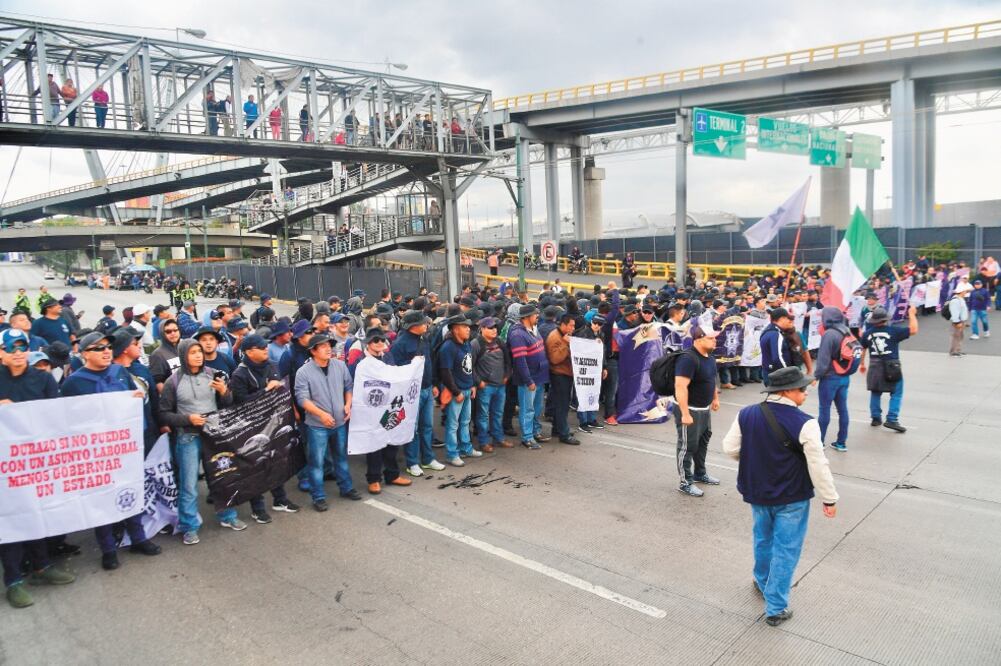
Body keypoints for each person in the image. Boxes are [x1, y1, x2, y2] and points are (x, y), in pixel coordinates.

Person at [721, 366, 838, 627]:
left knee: (763, 538)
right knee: (786, 549)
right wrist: (829, 498)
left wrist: (755, 459)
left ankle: (762, 580)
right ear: (787, 391)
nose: (806, 393)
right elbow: (818, 465)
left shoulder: (746, 413)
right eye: (802, 389)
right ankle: (776, 607)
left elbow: (730, 448)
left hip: (757, 491)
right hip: (792, 496)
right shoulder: (805, 422)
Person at [60, 331, 163, 570]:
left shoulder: (119, 372)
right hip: (97, 453)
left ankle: (138, 538)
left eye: (107, 347)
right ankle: (108, 548)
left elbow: (135, 401)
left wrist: (136, 398)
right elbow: (65, 418)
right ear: (85, 354)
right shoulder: (74, 382)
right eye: (98, 348)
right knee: (102, 500)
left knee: (131, 491)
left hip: (126, 447)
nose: (106, 351)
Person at [0, 329, 77, 608]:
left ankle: (41, 567)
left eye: (22, 346)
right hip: (6, 467)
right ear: (1, 352)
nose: (17, 352)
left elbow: (55, 416)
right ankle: (13, 580)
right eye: (11, 347)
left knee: (38, 514)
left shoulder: (42, 379)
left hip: (37, 461)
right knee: (10, 521)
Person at [158, 338, 241, 545]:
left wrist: (224, 392)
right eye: (192, 352)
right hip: (188, 437)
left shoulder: (213, 374)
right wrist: (188, 419)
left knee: (221, 477)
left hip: (214, 436)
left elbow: (228, 404)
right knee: (189, 485)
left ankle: (228, 516)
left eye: (199, 352)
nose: (198, 356)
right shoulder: (173, 382)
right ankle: (189, 526)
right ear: (183, 355)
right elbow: (164, 414)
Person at [229, 334, 300, 523]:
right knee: (255, 467)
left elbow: (280, 389)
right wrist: (266, 390)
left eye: (266, 346)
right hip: (251, 428)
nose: (266, 349)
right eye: (261, 348)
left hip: (273, 423)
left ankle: (280, 499)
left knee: (276, 461)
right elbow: (241, 404)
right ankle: (257, 508)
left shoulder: (271, 365)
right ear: (249, 352)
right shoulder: (239, 374)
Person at [294, 334, 358, 511]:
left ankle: (346, 488)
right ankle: (318, 497)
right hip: (317, 426)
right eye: (323, 346)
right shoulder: (303, 372)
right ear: (313, 351)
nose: (328, 348)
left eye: (329, 345)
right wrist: (321, 414)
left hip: (339, 422)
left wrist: (348, 404)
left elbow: (348, 386)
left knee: (341, 458)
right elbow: (302, 399)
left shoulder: (340, 365)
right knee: (317, 463)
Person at [389, 310, 445, 477]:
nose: (426, 325)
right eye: (423, 323)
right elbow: (395, 369)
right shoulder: (400, 344)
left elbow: (430, 362)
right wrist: (411, 363)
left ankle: (428, 459)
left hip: (427, 388)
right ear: (413, 326)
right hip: (411, 393)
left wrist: (434, 383)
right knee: (412, 429)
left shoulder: (424, 339)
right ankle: (412, 462)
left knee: (427, 426)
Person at [674, 325, 721, 497]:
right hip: (690, 409)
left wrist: (715, 398)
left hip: (704, 408)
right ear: (698, 339)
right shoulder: (688, 359)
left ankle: (700, 473)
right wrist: (685, 413)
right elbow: (680, 386)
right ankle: (685, 482)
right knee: (687, 446)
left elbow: (711, 379)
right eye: (711, 338)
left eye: (715, 337)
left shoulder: (710, 357)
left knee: (702, 442)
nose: (715, 341)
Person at [859, 306, 918, 433]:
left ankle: (875, 417)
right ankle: (892, 418)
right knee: (896, 392)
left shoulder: (867, 333)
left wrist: (862, 363)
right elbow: (913, 329)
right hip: (891, 365)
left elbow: (862, 348)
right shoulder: (893, 331)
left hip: (874, 365)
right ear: (886, 319)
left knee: (875, 391)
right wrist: (911, 313)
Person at [813, 306, 860, 452]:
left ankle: (820, 442)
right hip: (844, 377)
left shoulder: (829, 334)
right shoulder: (846, 330)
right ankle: (841, 442)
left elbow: (823, 360)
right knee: (842, 410)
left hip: (829, 377)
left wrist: (816, 376)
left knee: (824, 410)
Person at [438, 315, 482, 466]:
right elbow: (445, 372)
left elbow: (469, 366)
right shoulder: (448, 347)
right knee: (453, 425)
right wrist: (456, 392)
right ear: (455, 329)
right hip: (456, 392)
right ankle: (452, 454)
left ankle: (466, 448)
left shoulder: (466, 343)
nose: (468, 329)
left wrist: (473, 384)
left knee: (465, 422)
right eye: (464, 326)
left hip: (467, 389)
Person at [508, 305, 551, 449]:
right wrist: (528, 380)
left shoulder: (534, 329)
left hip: (539, 377)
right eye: (535, 314)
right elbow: (520, 361)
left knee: (537, 408)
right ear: (526, 317)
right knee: (527, 409)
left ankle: (535, 431)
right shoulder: (517, 335)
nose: (537, 316)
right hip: (529, 380)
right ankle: (527, 437)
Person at [471, 316, 512, 453]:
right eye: (490, 328)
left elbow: (508, 360)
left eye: (495, 327)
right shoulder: (476, 344)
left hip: (500, 386)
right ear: (482, 329)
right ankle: (483, 442)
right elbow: (470, 366)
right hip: (486, 387)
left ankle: (498, 438)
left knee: (498, 413)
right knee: (483, 416)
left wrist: (506, 375)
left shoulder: (499, 341)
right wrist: (479, 382)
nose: (494, 330)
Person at [545, 314, 582, 446]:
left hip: (566, 374)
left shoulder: (564, 335)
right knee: (562, 405)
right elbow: (554, 359)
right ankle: (564, 434)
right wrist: (566, 344)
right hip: (559, 375)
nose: (573, 328)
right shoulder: (554, 337)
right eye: (571, 325)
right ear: (563, 324)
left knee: (561, 404)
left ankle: (558, 429)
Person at [948, 281, 970, 357]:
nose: (966, 292)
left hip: (961, 321)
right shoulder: (955, 300)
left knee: (960, 336)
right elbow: (955, 312)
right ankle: (953, 352)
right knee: (955, 336)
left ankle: (958, 350)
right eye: (965, 291)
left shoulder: (960, 299)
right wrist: (957, 322)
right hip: (957, 321)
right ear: (961, 291)